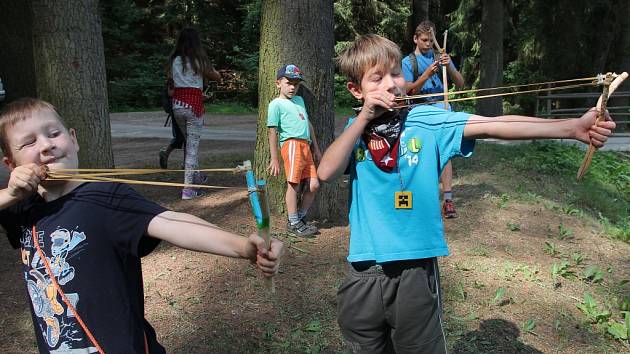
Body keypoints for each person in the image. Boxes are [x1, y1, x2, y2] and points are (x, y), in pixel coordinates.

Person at [317, 34, 615, 353]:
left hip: (415, 269)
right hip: (363, 270)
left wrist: (570, 128)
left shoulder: (424, 119)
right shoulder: (354, 131)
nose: (391, 84)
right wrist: (363, 118)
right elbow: (326, 172)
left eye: (395, 73)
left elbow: (493, 124)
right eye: (377, 78)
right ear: (355, 90)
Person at [0, 98, 284, 353]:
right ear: (11, 164)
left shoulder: (105, 197)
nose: (47, 145)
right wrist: (12, 194)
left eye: (54, 134)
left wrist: (243, 247)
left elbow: (172, 222)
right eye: (29, 143)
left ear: (73, 139)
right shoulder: (22, 207)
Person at [402, 20, 465, 218]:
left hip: (443, 108)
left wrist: (450, 68)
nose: (428, 44)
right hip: (419, 111)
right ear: (415, 39)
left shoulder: (441, 56)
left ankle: (448, 200)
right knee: (419, 155)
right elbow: (408, 92)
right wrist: (426, 74)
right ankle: (421, 199)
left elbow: (461, 84)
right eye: (424, 40)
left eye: (431, 40)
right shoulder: (408, 62)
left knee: (444, 153)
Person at [164, 27, 220, 199]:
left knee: (190, 144)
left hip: (177, 105)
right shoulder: (199, 61)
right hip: (194, 106)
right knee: (192, 148)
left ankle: (197, 176)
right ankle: (188, 189)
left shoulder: (174, 60)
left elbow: (171, 89)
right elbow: (216, 76)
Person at [267, 64, 322, 237]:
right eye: (288, 83)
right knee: (294, 184)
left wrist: (316, 148)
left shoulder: (299, 101)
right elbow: (272, 131)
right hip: (291, 145)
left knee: (314, 185)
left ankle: (299, 218)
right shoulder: (276, 104)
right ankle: (293, 222)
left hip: (306, 146)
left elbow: (308, 124)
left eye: (296, 84)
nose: (292, 87)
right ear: (278, 83)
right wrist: (274, 158)